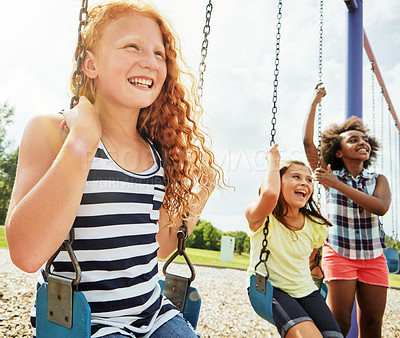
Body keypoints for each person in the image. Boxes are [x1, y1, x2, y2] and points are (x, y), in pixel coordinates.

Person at [5, 1, 223, 337]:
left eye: (159, 54)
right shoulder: (53, 131)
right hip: (85, 322)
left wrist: (197, 199)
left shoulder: (156, 154)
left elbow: (159, 247)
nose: (149, 61)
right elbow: (27, 253)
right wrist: (84, 139)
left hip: (154, 314)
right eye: (132, 46)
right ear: (90, 64)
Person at [303, 83, 391, 337]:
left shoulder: (378, 179)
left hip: (374, 256)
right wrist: (313, 103)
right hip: (339, 252)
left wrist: (337, 185)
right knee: (339, 323)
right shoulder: (330, 174)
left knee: (373, 324)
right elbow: (308, 143)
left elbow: (380, 207)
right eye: (354, 140)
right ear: (339, 152)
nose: (362, 143)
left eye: (365, 140)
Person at [246, 144, 343, 338]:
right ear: (277, 181)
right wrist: (273, 163)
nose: (304, 183)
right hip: (271, 290)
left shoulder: (315, 224)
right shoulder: (261, 217)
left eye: (308, 179)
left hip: (307, 292)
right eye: (296, 177)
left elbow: (313, 261)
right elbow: (270, 195)